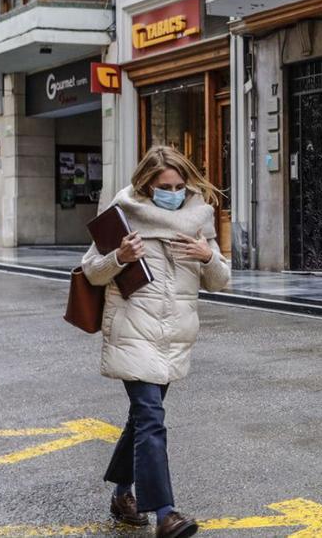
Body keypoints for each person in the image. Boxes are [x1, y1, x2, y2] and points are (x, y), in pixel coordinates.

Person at [81, 146, 231, 537]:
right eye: (166, 186)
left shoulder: (198, 218)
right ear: (147, 185)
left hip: (174, 333)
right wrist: (118, 255)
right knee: (151, 418)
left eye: (181, 185)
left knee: (140, 419)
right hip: (133, 330)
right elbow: (91, 272)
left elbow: (219, 281)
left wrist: (206, 256)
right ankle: (165, 513)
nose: (175, 192)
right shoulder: (123, 212)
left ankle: (121, 493)